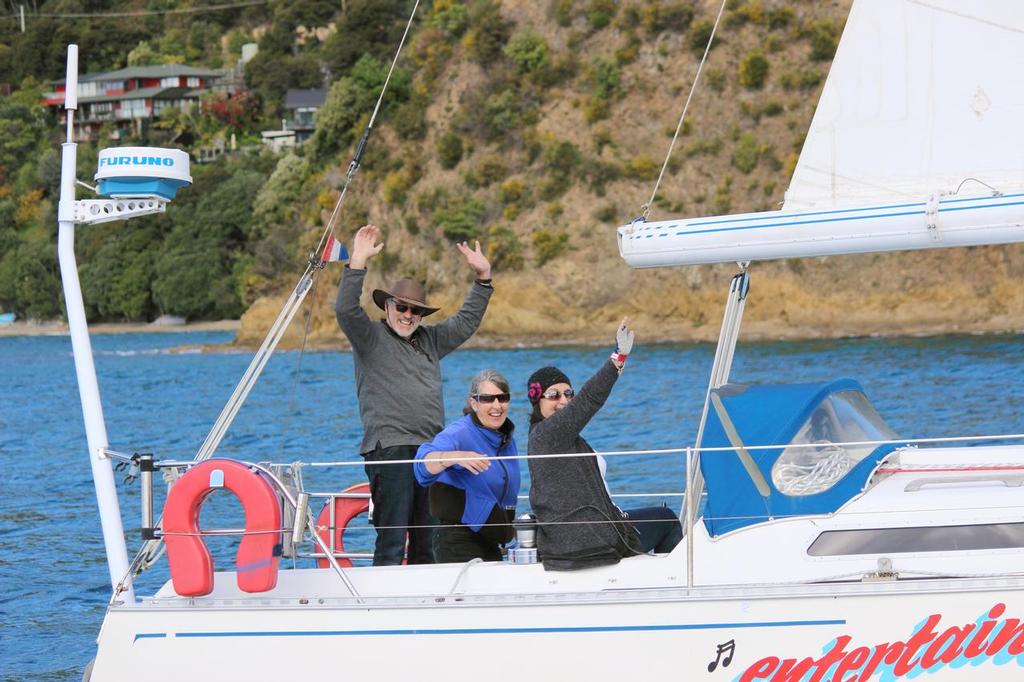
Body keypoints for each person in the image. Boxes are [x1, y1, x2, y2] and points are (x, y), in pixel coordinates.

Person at [336, 224, 493, 565]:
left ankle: (426, 609)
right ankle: (380, 612)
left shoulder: (431, 341)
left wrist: (483, 280)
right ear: (388, 306)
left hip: (432, 452)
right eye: (401, 308)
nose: (408, 315)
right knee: (392, 539)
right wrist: (357, 264)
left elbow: (466, 322)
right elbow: (346, 311)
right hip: (389, 449)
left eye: (415, 310)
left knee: (429, 540)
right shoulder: (370, 338)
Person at [527, 319, 683, 571]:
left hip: (587, 532)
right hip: (588, 540)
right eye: (553, 395)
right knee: (667, 520)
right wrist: (618, 357)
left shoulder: (559, 436)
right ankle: (673, 586)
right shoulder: (547, 434)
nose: (563, 401)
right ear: (537, 402)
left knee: (659, 517)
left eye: (568, 394)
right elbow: (590, 398)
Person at [414, 370, 520, 563]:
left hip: (491, 540)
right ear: (474, 403)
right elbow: (421, 467)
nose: (497, 405)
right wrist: (455, 457)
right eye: (487, 399)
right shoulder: (458, 433)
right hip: (457, 540)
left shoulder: (506, 439)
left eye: (502, 398)